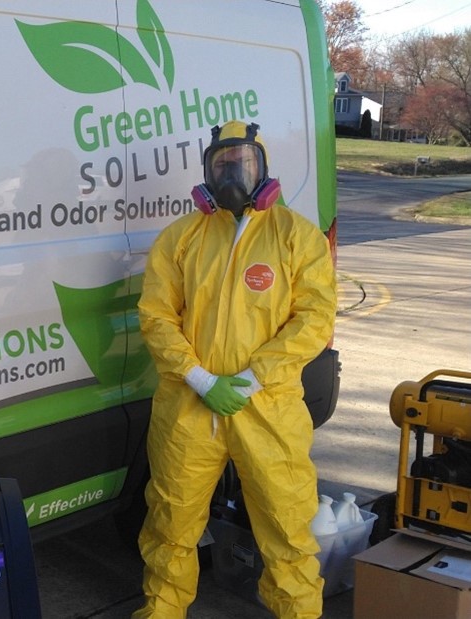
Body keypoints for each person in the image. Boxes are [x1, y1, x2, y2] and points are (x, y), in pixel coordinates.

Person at [133, 121, 336, 618]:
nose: (231, 173)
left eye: (242, 163)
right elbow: (156, 317)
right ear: (206, 171)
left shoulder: (296, 238)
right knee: (170, 522)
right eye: (221, 164)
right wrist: (201, 378)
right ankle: (160, 611)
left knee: (286, 527)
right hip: (188, 407)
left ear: (262, 168)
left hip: (267, 409)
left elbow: (314, 318)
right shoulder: (181, 238)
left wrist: (251, 378)